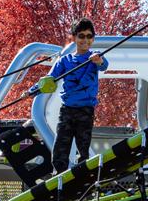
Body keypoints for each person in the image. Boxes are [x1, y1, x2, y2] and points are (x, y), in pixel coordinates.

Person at [34, 19, 107, 171]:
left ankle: (82, 178)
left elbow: (104, 65)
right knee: (60, 148)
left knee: (83, 147)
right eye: (81, 36)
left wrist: (99, 61)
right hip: (67, 110)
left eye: (89, 36)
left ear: (93, 38)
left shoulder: (95, 57)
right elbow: (50, 78)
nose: (85, 40)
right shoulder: (64, 60)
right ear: (74, 37)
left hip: (86, 110)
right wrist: (32, 90)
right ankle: (60, 178)